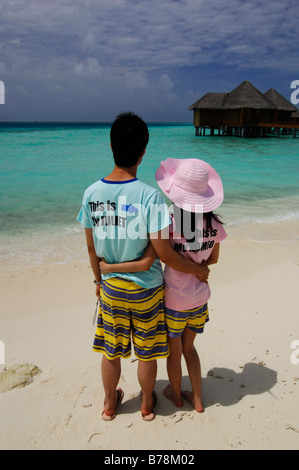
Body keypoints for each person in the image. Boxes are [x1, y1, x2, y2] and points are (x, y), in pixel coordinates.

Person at [77, 113, 209, 422]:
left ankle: (110, 404)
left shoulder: (91, 193)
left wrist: (99, 279)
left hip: (111, 288)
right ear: (143, 152)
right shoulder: (150, 196)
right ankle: (147, 402)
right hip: (147, 289)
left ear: (111, 144)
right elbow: (165, 254)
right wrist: (197, 271)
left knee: (111, 352)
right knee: (147, 352)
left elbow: (91, 248)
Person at [100, 158, 227, 413]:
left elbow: (162, 255)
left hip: (174, 300)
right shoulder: (215, 225)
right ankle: (198, 399)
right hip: (200, 298)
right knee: (191, 349)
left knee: (174, 350)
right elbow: (213, 259)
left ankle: (177, 395)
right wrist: (200, 269)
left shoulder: (171, 222)